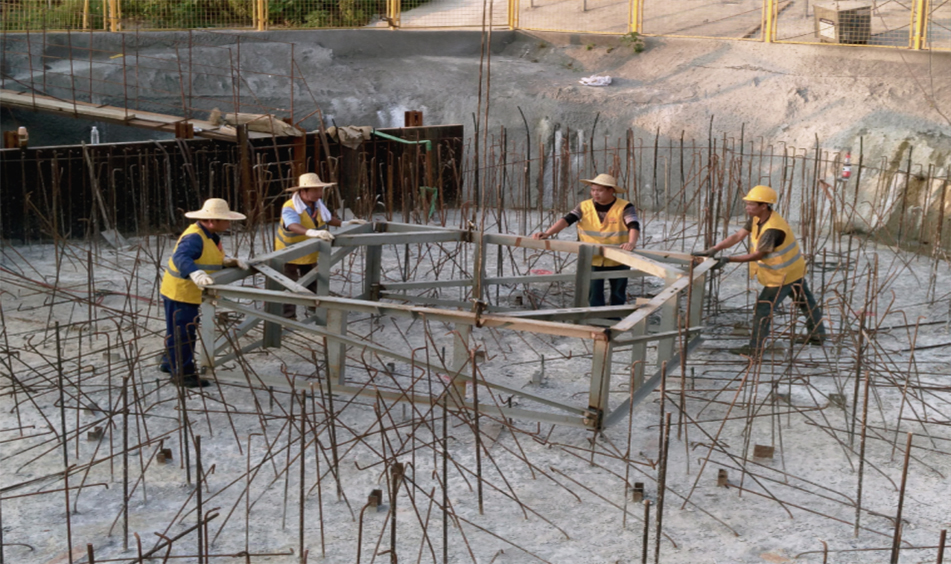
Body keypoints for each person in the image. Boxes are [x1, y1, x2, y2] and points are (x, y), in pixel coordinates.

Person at [692, 185, 826, 356]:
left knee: (763, 309)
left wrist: (728, 259)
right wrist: (715, 249)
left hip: (782, 276)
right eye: (747, 203)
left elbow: (757, 255)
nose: (747, 207)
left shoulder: (772, 229)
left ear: (764, 206)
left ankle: (755, 348)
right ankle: (818, 336)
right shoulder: (757, 218)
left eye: (751, 204)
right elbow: (737, 236)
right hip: (794, 270)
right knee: (806, 303)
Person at [160, 198, 247, 387]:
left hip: (188, 291)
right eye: (225, 219)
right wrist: (195, 273)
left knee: (179, 329)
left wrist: (227, 261)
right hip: (180, 292)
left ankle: (169, 362)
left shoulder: (209, 235)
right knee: (183, 332)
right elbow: (181, 256)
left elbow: (207, 257)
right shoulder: (194, 237)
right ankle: (183, 374)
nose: (229, 223)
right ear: (212, 220)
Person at [533, 173, 640, 307]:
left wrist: (631, 243)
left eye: (600, 190)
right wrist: (548, 233)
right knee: (594, 291)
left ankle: (614, 318)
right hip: (592, 256)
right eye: (593, 190)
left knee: (618, 292)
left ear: (611, 191)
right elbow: (567, 220)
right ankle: (596, 318)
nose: (595, 194)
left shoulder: (625, 206)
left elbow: (633, 225)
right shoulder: (584, 206)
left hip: (619, 256)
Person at [274, 172, 366, 319]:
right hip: (289, 252)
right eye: (315, 190)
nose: (319, 193)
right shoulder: (290, 207)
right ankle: (288, 317)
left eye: (320, 190)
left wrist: (344, 223)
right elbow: (292, 225)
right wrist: (312, 232)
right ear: (303, 191)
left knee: (312, 280)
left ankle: (315, 309)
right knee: (289, 284)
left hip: (309, 251)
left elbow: (327, 218)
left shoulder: (317, 204)